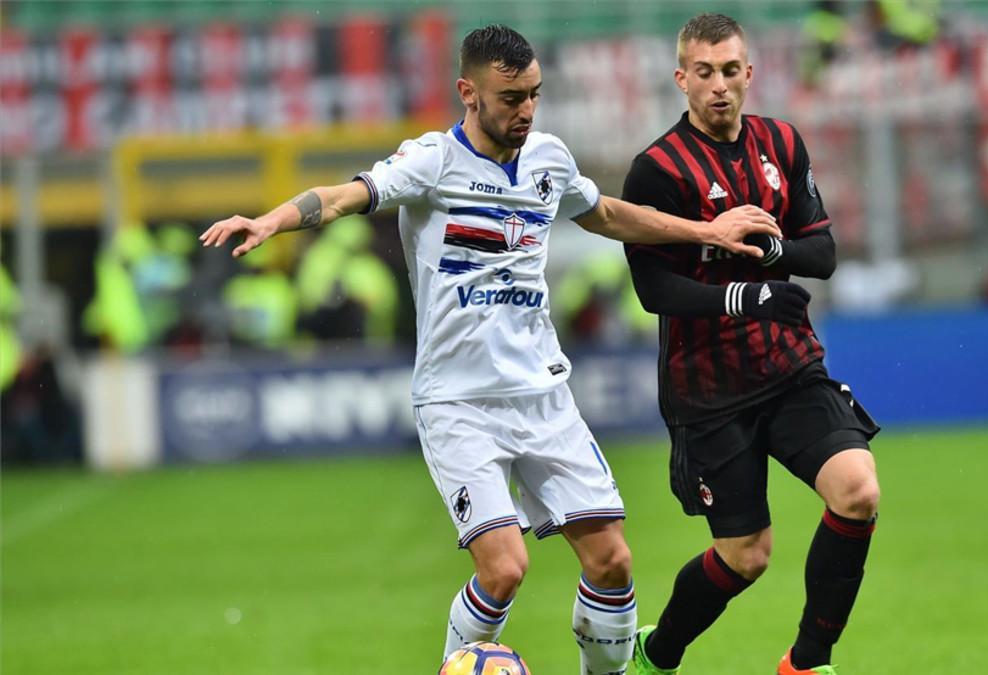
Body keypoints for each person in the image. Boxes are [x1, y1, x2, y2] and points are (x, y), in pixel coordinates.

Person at [199, 24, 779, 673]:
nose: (525, 110)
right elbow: (342, 196)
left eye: (533, 94)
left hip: (542, 392)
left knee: (612, 559)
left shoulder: (549, 160)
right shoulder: (431, 162)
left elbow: (608, 214)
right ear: (468, 93)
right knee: (504, 567)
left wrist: (708, 231)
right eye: (511, 98)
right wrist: (272, 219)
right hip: (459, 401)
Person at [620, 14, 882, 675]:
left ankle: (807, 661)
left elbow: (820, 253)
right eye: (703, 73)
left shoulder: (782, 144)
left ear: (749, 74)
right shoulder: (655, 171)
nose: (718, 86)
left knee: (857, 490)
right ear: (681, 79)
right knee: (747, 554)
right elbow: (654, 289)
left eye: (730, 71)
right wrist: (746, 291)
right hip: (707, 387)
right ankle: (659, 651)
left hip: (789, 363)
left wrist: (774, 250)